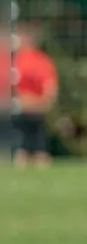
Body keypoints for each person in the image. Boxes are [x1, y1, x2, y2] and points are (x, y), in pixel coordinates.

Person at [9, 23, 58, 167]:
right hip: (33, 110)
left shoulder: (18, 61)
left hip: (24, 110)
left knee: (23, 150)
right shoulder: (43, 61)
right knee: (37, 149)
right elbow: (51, 91)